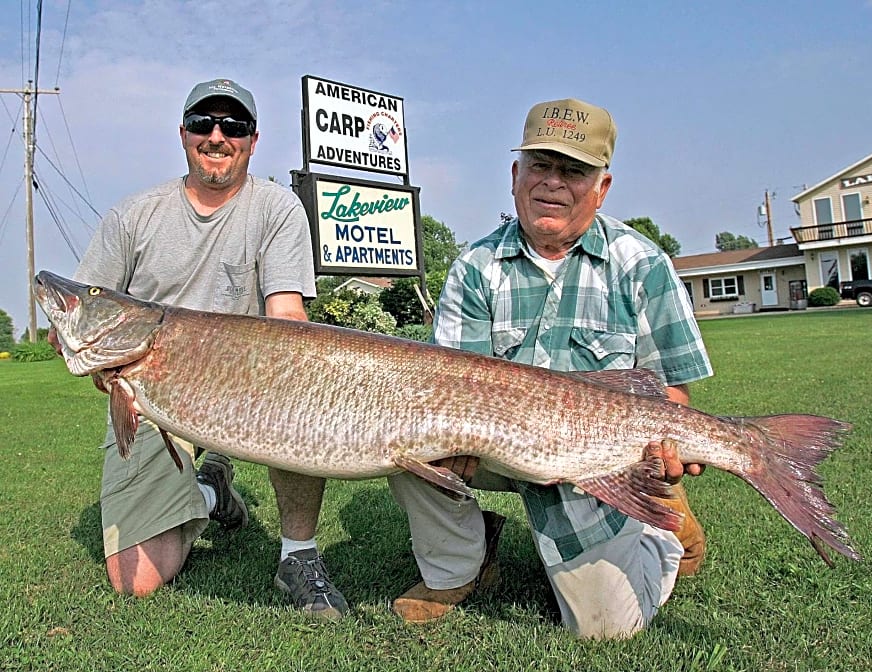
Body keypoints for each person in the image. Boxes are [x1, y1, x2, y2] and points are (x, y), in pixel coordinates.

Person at [387, 98, 713, 639]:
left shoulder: (645, 265)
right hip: (493, 445)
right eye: (540, 165)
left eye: (574, 170)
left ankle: (662, 528)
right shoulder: (475, 267)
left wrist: (655, 461)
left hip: (599, 460)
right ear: (516, 176)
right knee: (398, 434)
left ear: (602, 186)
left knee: (605, 629)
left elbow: (672, 395)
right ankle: (458, 567)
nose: (553, 183)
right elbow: (447, 388)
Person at [52, 78, 348, 620]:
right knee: (135, 581)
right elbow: (79, 310)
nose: (217, 136)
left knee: (302, 389)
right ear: (183, 134)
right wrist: (93, 357)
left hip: (255, 385)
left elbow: (287, 315)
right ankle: (213, 495)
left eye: (232, 126)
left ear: (252, 141)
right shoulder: (133, 216)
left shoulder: (278, 208)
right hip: (151, 395)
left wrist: (295, 375)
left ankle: (298, 555)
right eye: (203, 125)